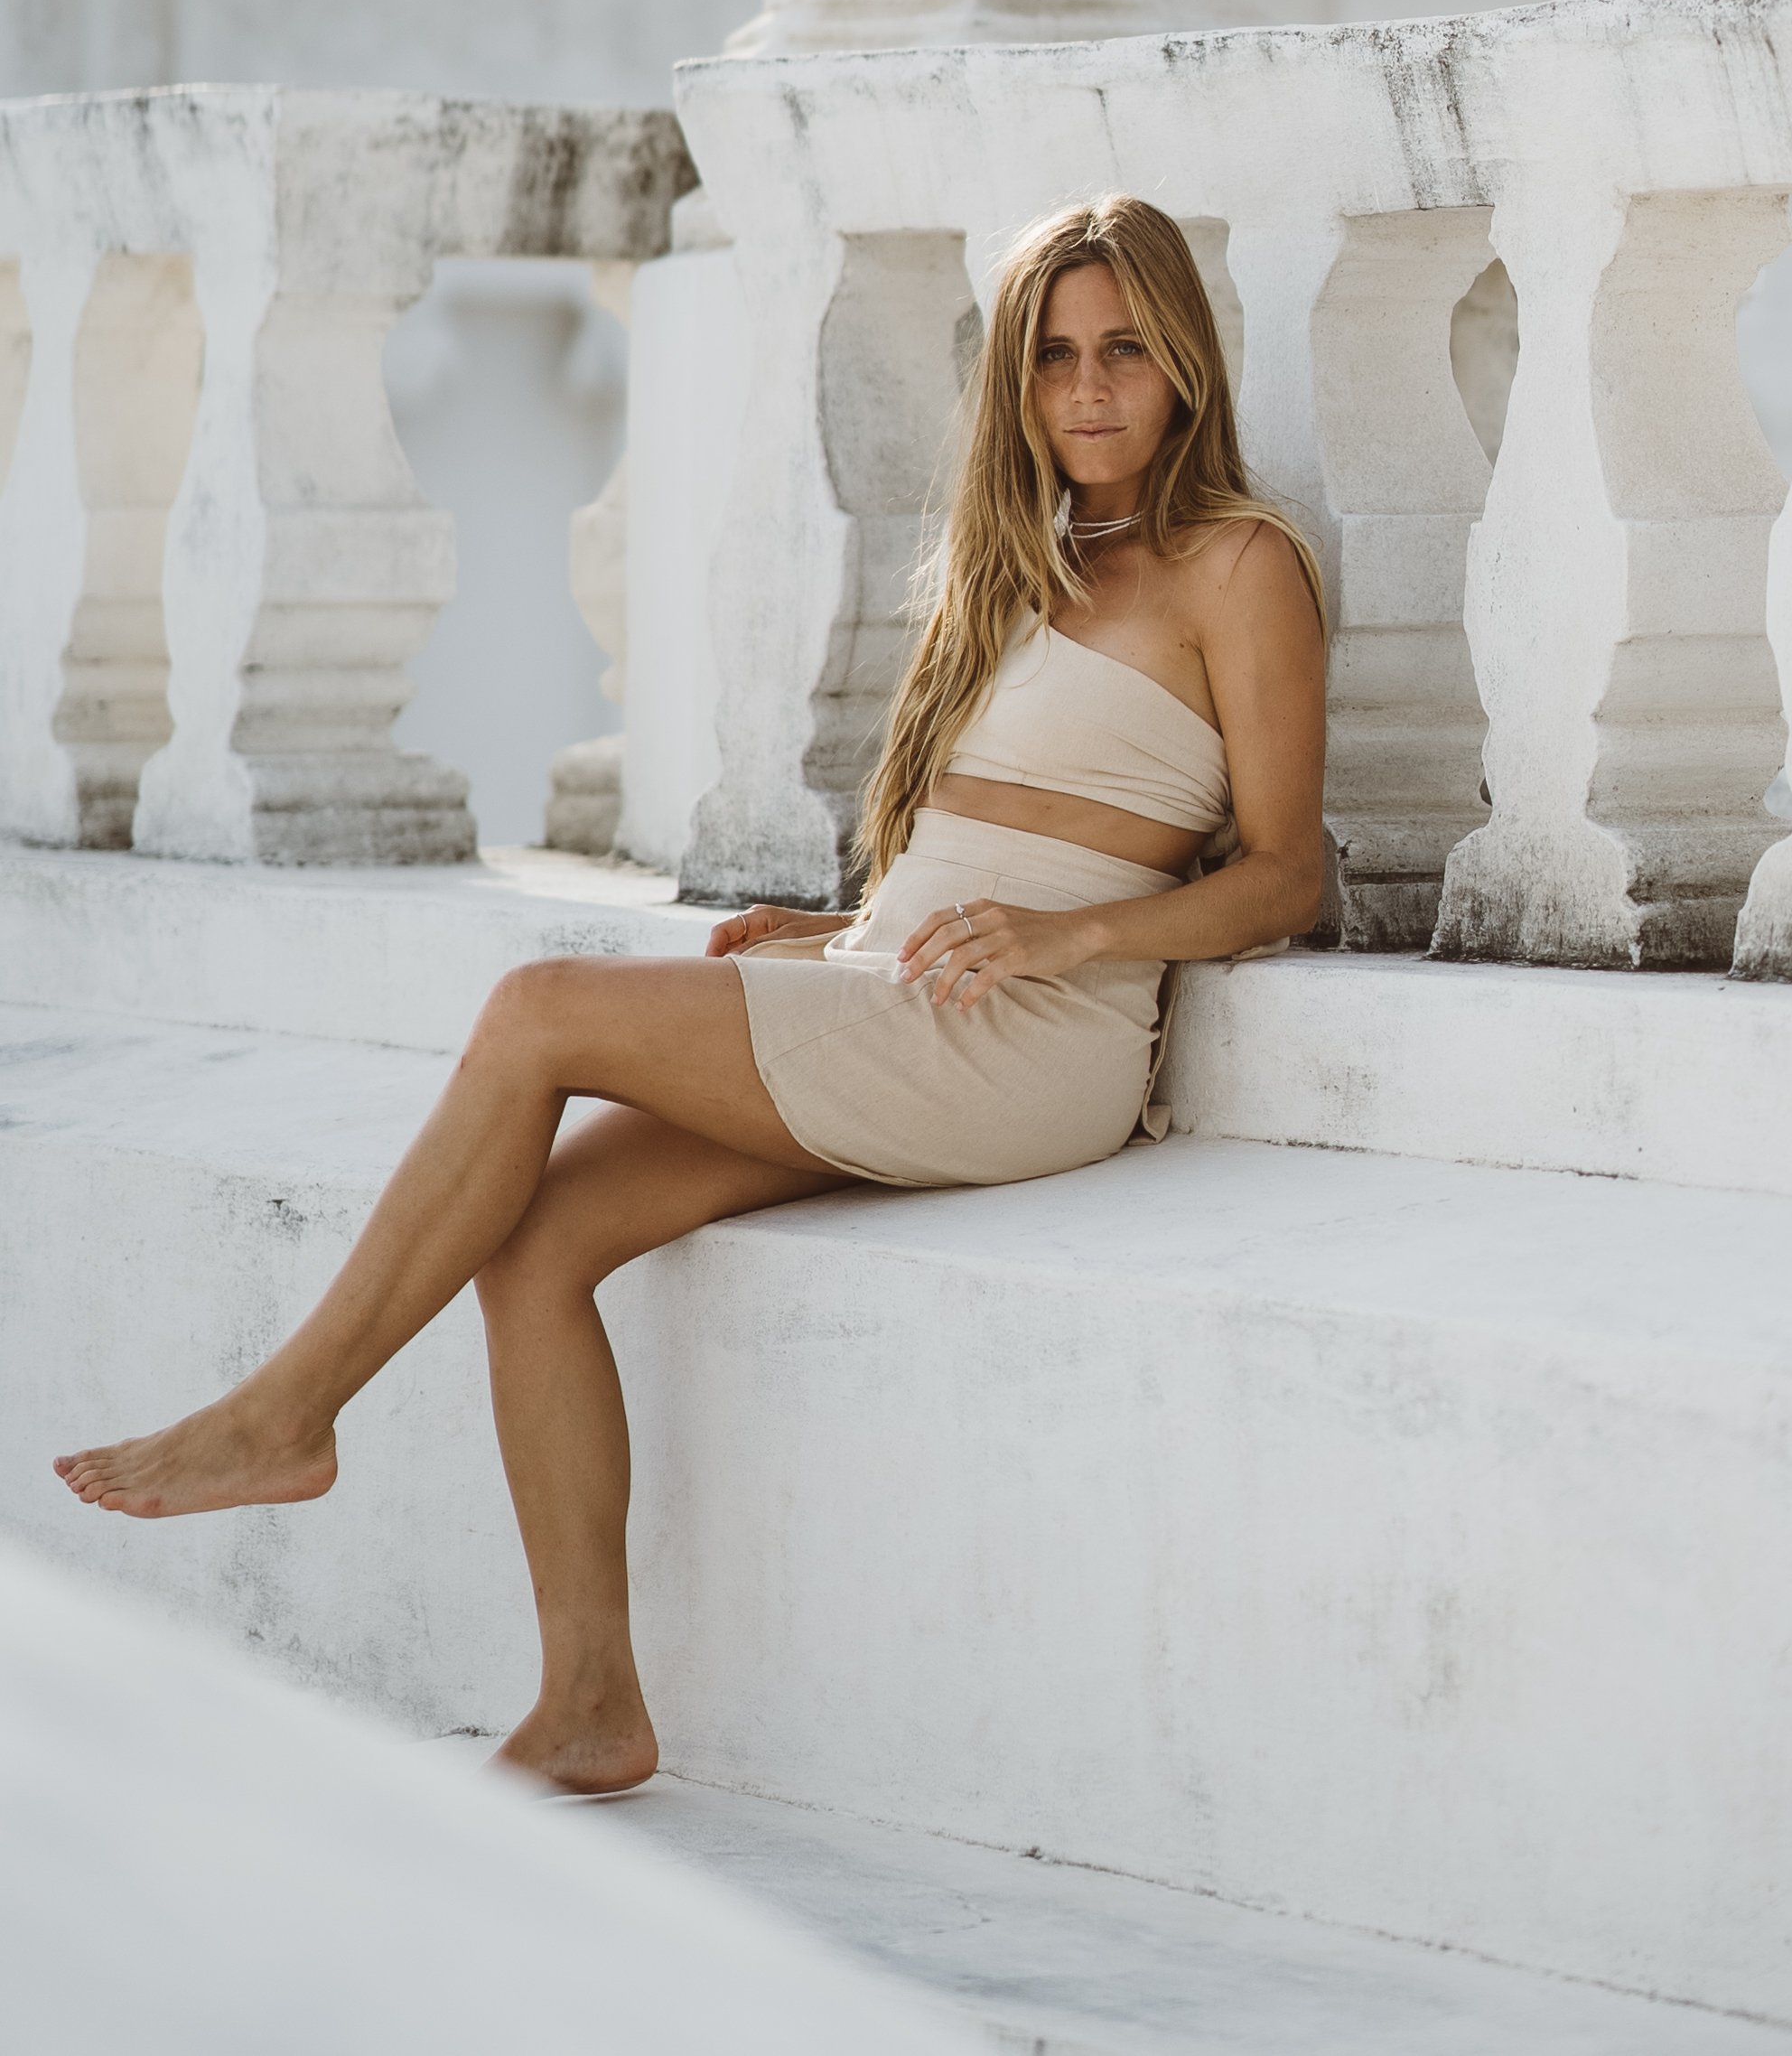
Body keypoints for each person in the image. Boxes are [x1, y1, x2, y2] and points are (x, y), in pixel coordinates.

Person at [54, 196, 1328, 1794]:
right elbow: (992, 835)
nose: (1088, 390)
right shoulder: (1015, 565)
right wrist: (843, 927)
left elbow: (1287, 874)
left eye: (1125, 348)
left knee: (538, 1008)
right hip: (901, 992)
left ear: (1185, 361)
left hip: (1031, 1038)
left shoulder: (1240, 565)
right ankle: (591, 1704)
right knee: (535, 1243)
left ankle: (287, 1413)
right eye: (1054, 356)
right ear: (1013, 381)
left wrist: (1074, 942)